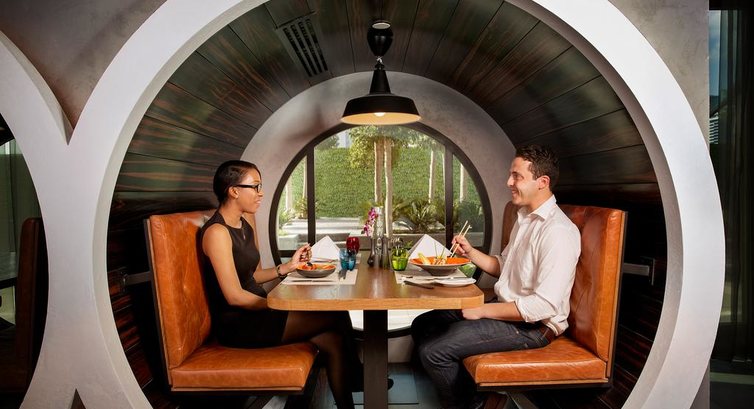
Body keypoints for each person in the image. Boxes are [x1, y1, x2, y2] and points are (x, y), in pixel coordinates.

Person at [411, 145, 581, 409]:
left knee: (434, 352)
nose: (508, 182)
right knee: (423, 324)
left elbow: (543, 306)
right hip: (507, 309)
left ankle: (476, 405)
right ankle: (484, 399)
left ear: (542, 182)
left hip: (534, 327)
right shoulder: (525, 218)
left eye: (517, 176)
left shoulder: (558, 232)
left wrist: (481, 311)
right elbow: (504, 266)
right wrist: (470, 253)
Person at [200, 160, 361, 409]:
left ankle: (354, 385)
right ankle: (358, 376)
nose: (261, 193)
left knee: (333, 341)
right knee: (336, 313)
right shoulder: (217, 233)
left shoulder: (244, 224)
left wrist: (287, 267)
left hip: (258, 313)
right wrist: (277, 305)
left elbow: (252, 276)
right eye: (255, 186)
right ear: (233, 191)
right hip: (239, 325)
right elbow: (234, 296)